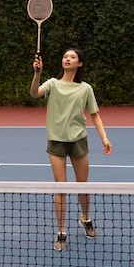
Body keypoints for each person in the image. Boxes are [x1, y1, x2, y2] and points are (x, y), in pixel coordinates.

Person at [30, 48, 112, 251]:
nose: (67, 59)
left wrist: (104, 137)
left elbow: (95, 114)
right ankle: (61, 231)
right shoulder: (52, 84)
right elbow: (34, 94)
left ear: (80, 63)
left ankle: (85, 217)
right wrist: (37, 74)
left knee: (83, 186)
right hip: (56, 142)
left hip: (78, 141)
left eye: (72, 57)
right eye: (65, 56)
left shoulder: (85, 89)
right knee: (61, 188)